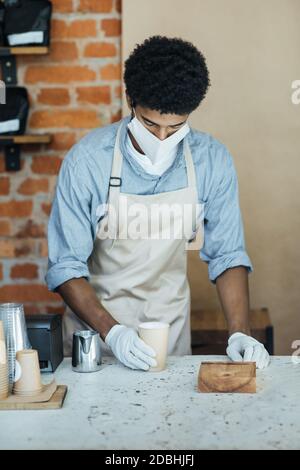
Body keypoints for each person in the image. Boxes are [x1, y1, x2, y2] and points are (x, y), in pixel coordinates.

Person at [46, 36, 270, 370]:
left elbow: (227, 255)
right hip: (97, 345)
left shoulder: (211, 160)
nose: (162, 138)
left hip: (170, 338)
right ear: (130, 101)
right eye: (150, 124)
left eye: (175, 127)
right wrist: (115, 334)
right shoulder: (88, 161)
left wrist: (240, 333)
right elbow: (65, 266)